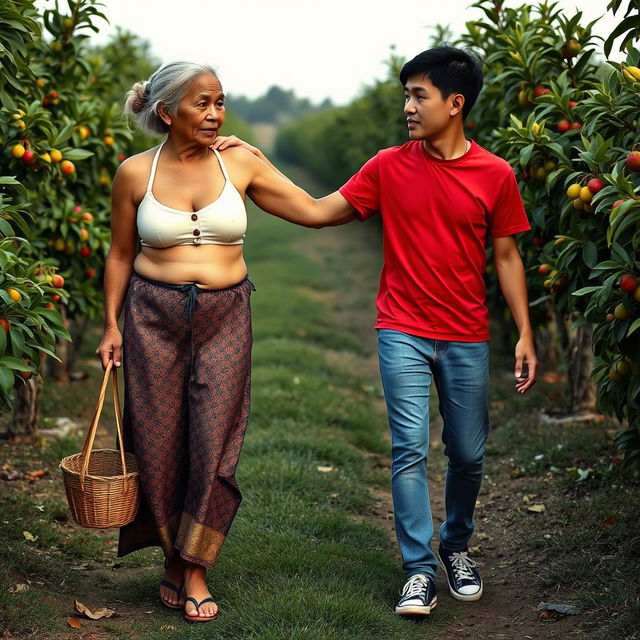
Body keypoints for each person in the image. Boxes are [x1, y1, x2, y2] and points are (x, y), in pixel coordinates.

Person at [220, 44, 538, 617]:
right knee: (409, 449)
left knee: (467, 453)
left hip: (466, 333)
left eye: (419, 96)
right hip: (403, 329)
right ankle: (418, 569)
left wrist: (524, 331)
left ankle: (457, 545)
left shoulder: (495, 174)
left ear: (455, 103)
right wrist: (253, 163)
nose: (409, 107)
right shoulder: (389, 165)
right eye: (406, 96)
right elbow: (318, 211)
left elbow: (508, 255)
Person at [95, 61, 351, 623]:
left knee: (215, 441)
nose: (215, 114)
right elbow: (118, 254)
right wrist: (111, 325)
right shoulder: (135, 173)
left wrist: (383, 173)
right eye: (202, 103)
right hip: (151, 317)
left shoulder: (239, 162)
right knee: (158, 444)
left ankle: (195, 567)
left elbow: (314, 210)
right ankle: (172, 556)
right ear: (167, 112)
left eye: (219, 102)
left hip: (224, 316)